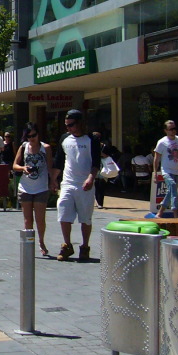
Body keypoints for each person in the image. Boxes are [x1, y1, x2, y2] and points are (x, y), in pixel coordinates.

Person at [49, 109, 101, 262]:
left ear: (80, 123)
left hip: (85, 184)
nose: (68, 128)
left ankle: (84, 247)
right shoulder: (65, 139)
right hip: (68, 182)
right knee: (63, 212)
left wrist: (91, 178)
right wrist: (53, 180)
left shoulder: (91, 139)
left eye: (71, 125)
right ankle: (67, 245)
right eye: (66, 125)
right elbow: (59, 161)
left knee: (85, 218)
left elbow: (96, 162)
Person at [12, 123, 50, 257]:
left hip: (41, 187)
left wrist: (54, 182)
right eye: (29, 136)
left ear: (38, 134)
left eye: (34, 135)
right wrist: (23, 168)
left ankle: (41, 242)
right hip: (25, 187)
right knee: (27, 220)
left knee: (40, 219)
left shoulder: (45, 148)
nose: (32, 138)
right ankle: (29, 244)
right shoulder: (23, 147)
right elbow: (15, 165)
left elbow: (50, 167)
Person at [153, 120, 178, 218]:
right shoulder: (162, 142)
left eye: (174, 129)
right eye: (171, 129)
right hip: (166, 170)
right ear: (165, 130)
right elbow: (156, 158)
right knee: (173, 186)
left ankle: (160, 212)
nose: (173, 131)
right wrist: (155, 174)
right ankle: (175, 213)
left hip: (176, 171)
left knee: (171, 191)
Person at [92, 131, 121, 209]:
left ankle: (100, 203)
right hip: (95, 167)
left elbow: (108, 156)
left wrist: (100, 154)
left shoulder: (104, 147)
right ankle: (98, 202)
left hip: (104, 167)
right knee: (96, 185)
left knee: (101, 185)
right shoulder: (91, 146)